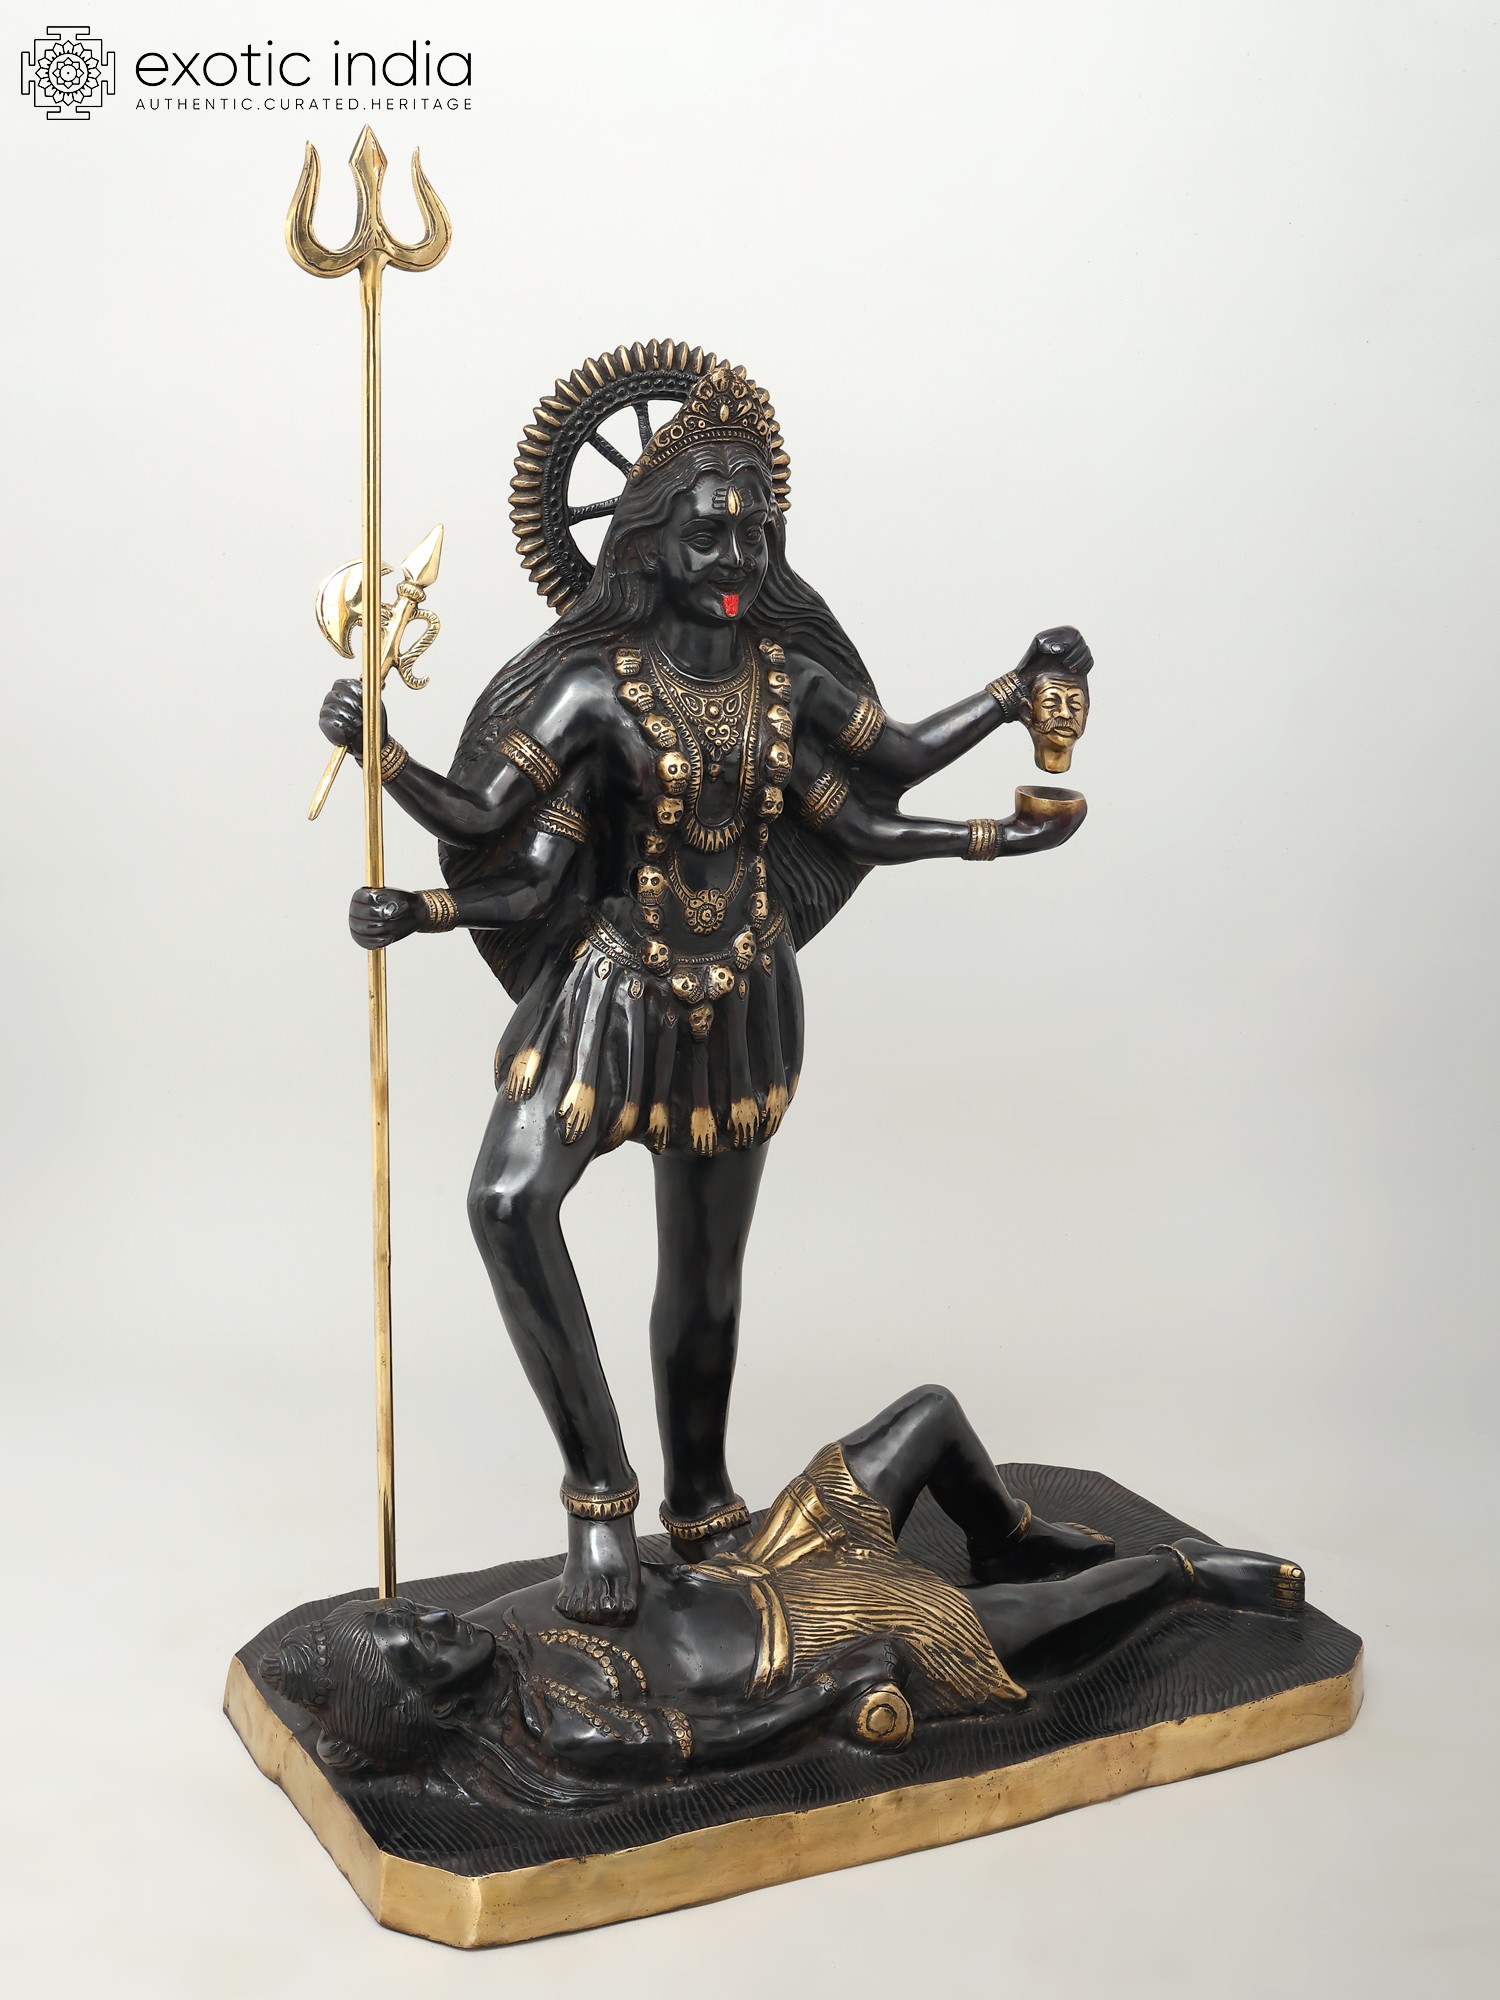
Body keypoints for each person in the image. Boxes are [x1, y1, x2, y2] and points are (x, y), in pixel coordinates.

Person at [318, 347, 1095, 1622]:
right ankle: (600, 1499)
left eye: (757, 535)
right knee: (509, 1200)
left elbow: (879, 784)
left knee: (705, 1272)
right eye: (708, 534)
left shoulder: (787, 680)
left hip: (741, 992)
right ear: (646, 543)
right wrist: (386, 767)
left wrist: (1010, 733)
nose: (737, 558)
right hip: (614, 992)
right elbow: (488, 818)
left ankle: (700, 1502)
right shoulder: (591, 687)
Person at [262, 1384, 1304, 1803]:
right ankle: (1183, 1572)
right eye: (420, 1642)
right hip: (815, 1632)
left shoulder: (488, 1633)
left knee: (929, 1417)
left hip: (769, 1556)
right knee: (1049, 1633)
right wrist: (833, 1691)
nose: (439, 1618)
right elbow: (723, 1742)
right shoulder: (558, 1729)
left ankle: (1008, 1535)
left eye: (412, 1612)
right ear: (423, 1704)